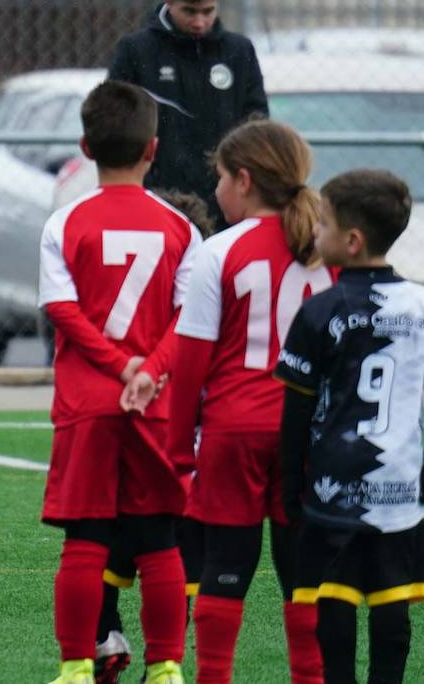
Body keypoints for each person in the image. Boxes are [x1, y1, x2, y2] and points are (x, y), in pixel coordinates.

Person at [38, 81, 200, 684]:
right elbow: (191, 319)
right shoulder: (181, 227)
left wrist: (118, 366)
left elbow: (62, 310)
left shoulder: (65, 223)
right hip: (155, 404)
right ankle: (165, 669)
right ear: (153, 149)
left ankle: (78, 664)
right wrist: (150, 370)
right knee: (160, 538)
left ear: (85, 146)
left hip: (89, 401)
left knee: (85, 537)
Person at [165, 119, 334, 684]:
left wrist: (176, 448)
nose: (214, 190)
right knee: (304, 576)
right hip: (307, 437)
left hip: (234, 432)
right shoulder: (326, 250)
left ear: (243, 179)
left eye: (218, 178)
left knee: (225, 568)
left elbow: (189, 365)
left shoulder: (220, 252)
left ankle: (214, 677)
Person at [278, 169, 424, 684]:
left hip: (331, 486)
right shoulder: (421, 307)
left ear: (352, 240)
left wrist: (290, 486)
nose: (315, 233)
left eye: (322, 224)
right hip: (402, 486)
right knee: (391, 600)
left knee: (332, 595)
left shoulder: (320, 310)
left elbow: (295, 413)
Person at [90, 187, 214, 684]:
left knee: (99, 540)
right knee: (176, 560)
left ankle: (105, 636)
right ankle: (166, 665)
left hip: (137, 436)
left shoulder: (149, 327)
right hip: (196, 460)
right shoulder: (207, 303)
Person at [107, 0, 268, 228]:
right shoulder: (137, 51)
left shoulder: (238, 52)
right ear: (169, 3)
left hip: (223, 205)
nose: (199, 21)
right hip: (158, 200)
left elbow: (258, 122)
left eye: (208, 11)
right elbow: (115, 121)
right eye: (190, 11)